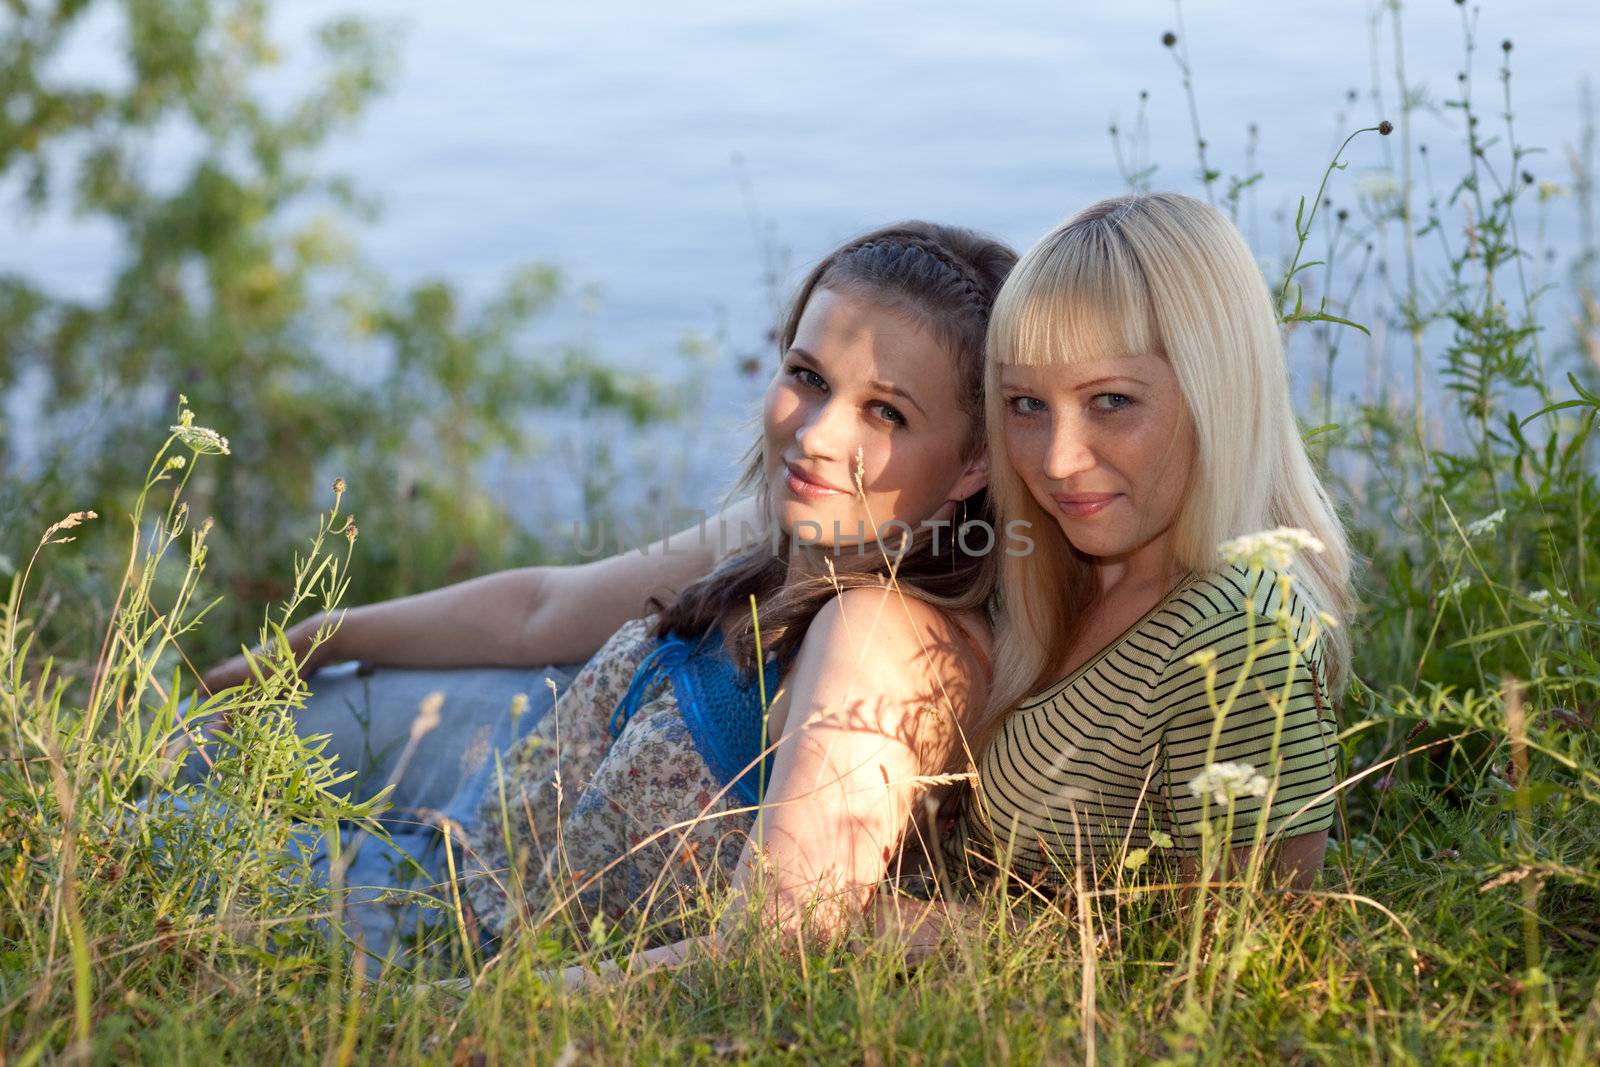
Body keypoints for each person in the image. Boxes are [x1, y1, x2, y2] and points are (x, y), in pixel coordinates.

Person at [196, 221, 1018, 967]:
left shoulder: (881, 640)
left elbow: (778, 936)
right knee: (217, 735)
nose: (817, 435)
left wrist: (448, 1018)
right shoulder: (793, 530)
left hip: (454, 929)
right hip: (483, 822)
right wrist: (321, 636)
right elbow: (540, 613)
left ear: (975, 461)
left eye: (887, 414)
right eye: (808, 376)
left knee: (154, 847)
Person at [940, 191, 1352, 895]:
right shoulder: (1060, 565)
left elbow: (1234, 970)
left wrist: (910, 932)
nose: (1058, 459)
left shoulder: (1244, 639)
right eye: (1026, 405)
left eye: (1111, 401)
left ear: (1215, 392)